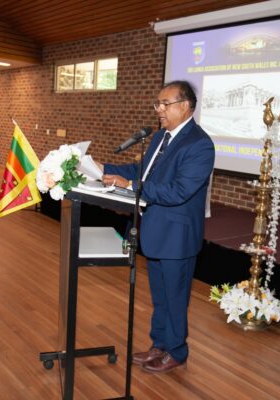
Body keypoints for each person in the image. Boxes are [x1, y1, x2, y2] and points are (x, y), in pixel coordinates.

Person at [96, 80, 215, 373]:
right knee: (160, 297)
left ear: (186, 106)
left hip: (177, 236)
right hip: (157, 231)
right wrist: (104, 168)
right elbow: (142, 171)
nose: (159, 110)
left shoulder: (199, 144)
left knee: (175, 299)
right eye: (157, 104)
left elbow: (178, 190)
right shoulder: (161, 138)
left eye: (166, 104)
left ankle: (176, 351)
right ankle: (159, 345)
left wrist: (133, 186)